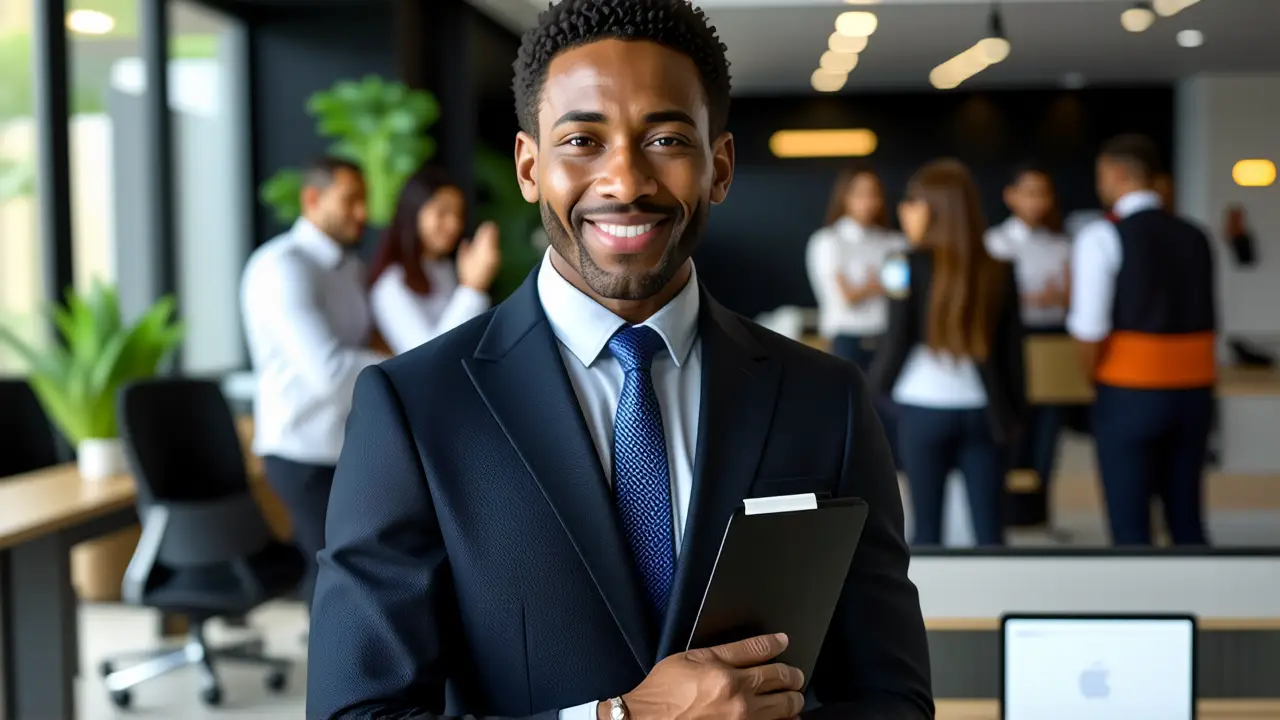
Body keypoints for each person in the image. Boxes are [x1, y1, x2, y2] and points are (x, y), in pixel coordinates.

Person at [307, 1, 933, 718]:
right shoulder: (415, 409)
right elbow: (356, 712)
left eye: (666, 139)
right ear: (529, 167)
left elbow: (893, 699)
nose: (626, 181)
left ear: (719, 166)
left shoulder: (827, 399)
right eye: (582, 141)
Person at [240, 157, 383, 607]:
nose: (362, 213)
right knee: (338, 584)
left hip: (346, 448)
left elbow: (365, 343)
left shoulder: (350, 269)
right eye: (350, 201)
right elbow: (331, 375)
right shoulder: (283, 267)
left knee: (357, 577)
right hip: (303, 452)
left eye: (364, 201)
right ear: (312, 200)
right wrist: (403, 365)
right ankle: (330, 676)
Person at [1067, 135, 1216, 546]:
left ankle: (1138, 604)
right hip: (1195, 390)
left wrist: (1093, 379)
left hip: (1128, 388)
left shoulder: (1101, 237)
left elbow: (1089, 328)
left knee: (1130, 522)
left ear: (1116, 174)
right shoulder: (1197, 236)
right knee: (1187, 516)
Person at [870, 159, 1026, 547]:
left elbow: (895, 341)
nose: (906, 209)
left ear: (930, 208)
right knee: (990, 532)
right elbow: (1013, 356)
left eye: (913, 202)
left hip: (922, 409)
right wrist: (1015, 415)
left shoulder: (901, 263)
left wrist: (870, 394)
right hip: (984, 410)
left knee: (926, 532)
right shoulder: (999, 269)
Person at [985, 164, 1072, 527]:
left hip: (1054, 344)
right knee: (1011, 430)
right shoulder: (994, 243)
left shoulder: (1061, 243)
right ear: (1011, 195)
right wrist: (1043, 296)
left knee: (1048, 434)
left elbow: (1071, 297)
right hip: (1010, 344)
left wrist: (1032, 297)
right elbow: (999, 301)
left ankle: (1040, 516)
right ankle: (1006, 513)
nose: (1038, 201)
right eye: (1030, 192)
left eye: (1044, 193)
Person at [368, 166, 504, 355]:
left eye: (459, 214)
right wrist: (473, 287)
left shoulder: (444, 267)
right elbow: (426, 356)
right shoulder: (391, 285)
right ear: (413, 211)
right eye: (442, 212)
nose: (454, 224)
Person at [806, 166, 906, 372]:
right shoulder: (828, 241)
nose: (868, 202)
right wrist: (883, 285)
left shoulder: (893, 242)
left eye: (874, 194)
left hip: (886, 337)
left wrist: (871, 287)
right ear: (845, 196)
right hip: (847, 340)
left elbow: (904, 291)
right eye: (860, 193)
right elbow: (847, 297)